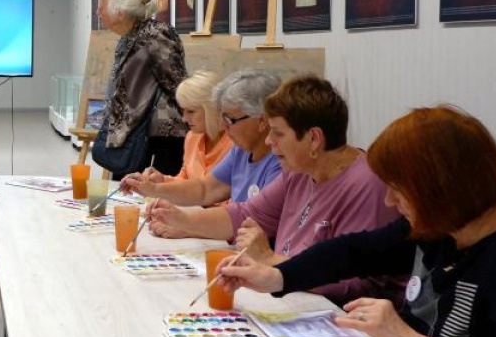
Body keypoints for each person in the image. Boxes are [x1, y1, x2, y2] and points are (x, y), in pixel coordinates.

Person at [217, 106, 496, 337]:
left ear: (438, 189)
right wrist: (275, 276)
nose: (389, 203)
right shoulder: (460, 213)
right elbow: (357, 251)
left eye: (398, 191)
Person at [147, 76, 404, 306]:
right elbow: (243, 216)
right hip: (288, 299)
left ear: (314, 139)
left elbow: (361, 286)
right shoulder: (299, 170)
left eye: (278, 133)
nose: (269, 141)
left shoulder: (367, 185)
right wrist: (182, 219)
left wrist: (271, 262)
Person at [122, 69, 281, 206]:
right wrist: (157, 185)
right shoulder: (236, 149)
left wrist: (185, 222)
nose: (184, 119)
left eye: (191, 111)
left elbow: (238, 214)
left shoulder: (248, 147)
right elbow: (203, 188)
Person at [94, 0, 188, 179]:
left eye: (101, 7)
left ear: (119, 12)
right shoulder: (129, 36)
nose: (97, 13)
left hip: (160, 135)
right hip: (135, 130)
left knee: (153, 199)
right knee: (127, 193)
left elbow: (177, 85)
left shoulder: (156, 35)